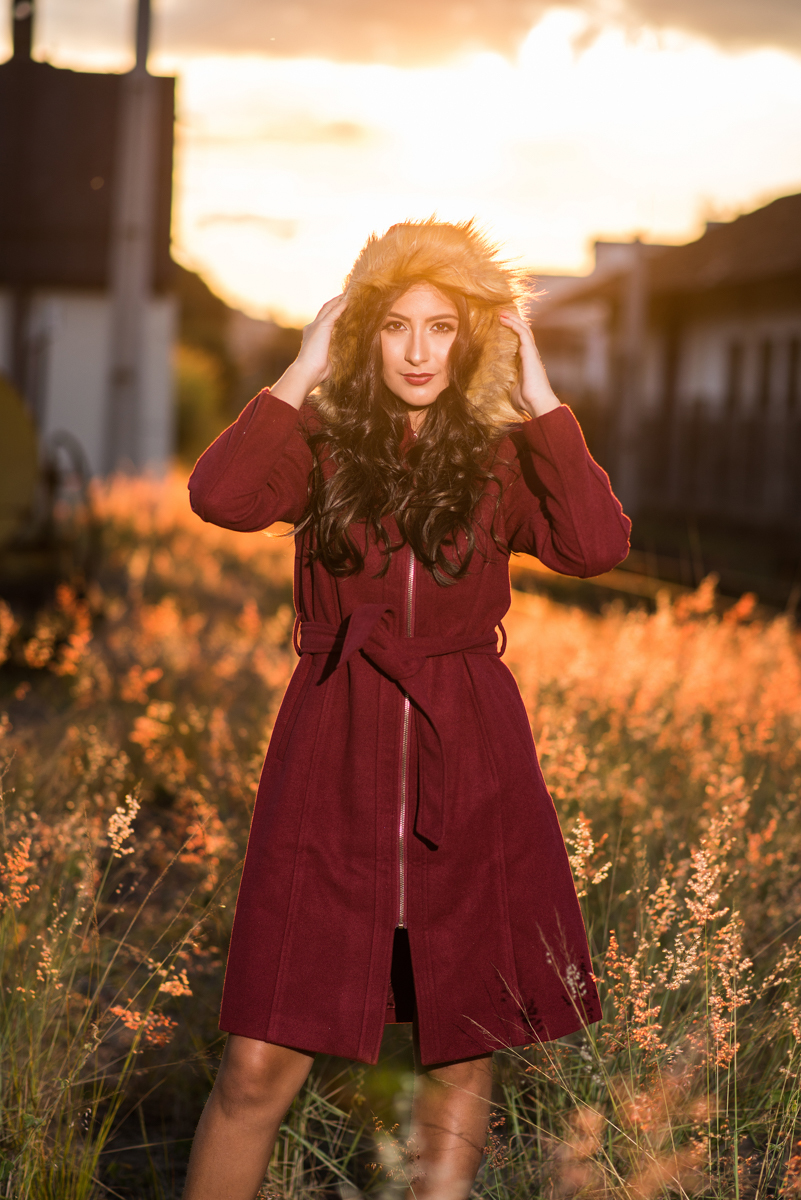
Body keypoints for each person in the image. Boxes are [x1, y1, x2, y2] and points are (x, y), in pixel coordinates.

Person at [183, 219, 631, 1200]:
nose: (418, 351)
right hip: (329, 756)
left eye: (441, 327)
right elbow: (220, 496)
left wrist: (540, 394)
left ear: (473, 339)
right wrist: (304, 365)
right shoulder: (324, 448)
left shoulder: (501, 461)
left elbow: (595, 544)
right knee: (257, 1064)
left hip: (467, 761)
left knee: (459, 1051)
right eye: (395, 326)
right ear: (365, 334)